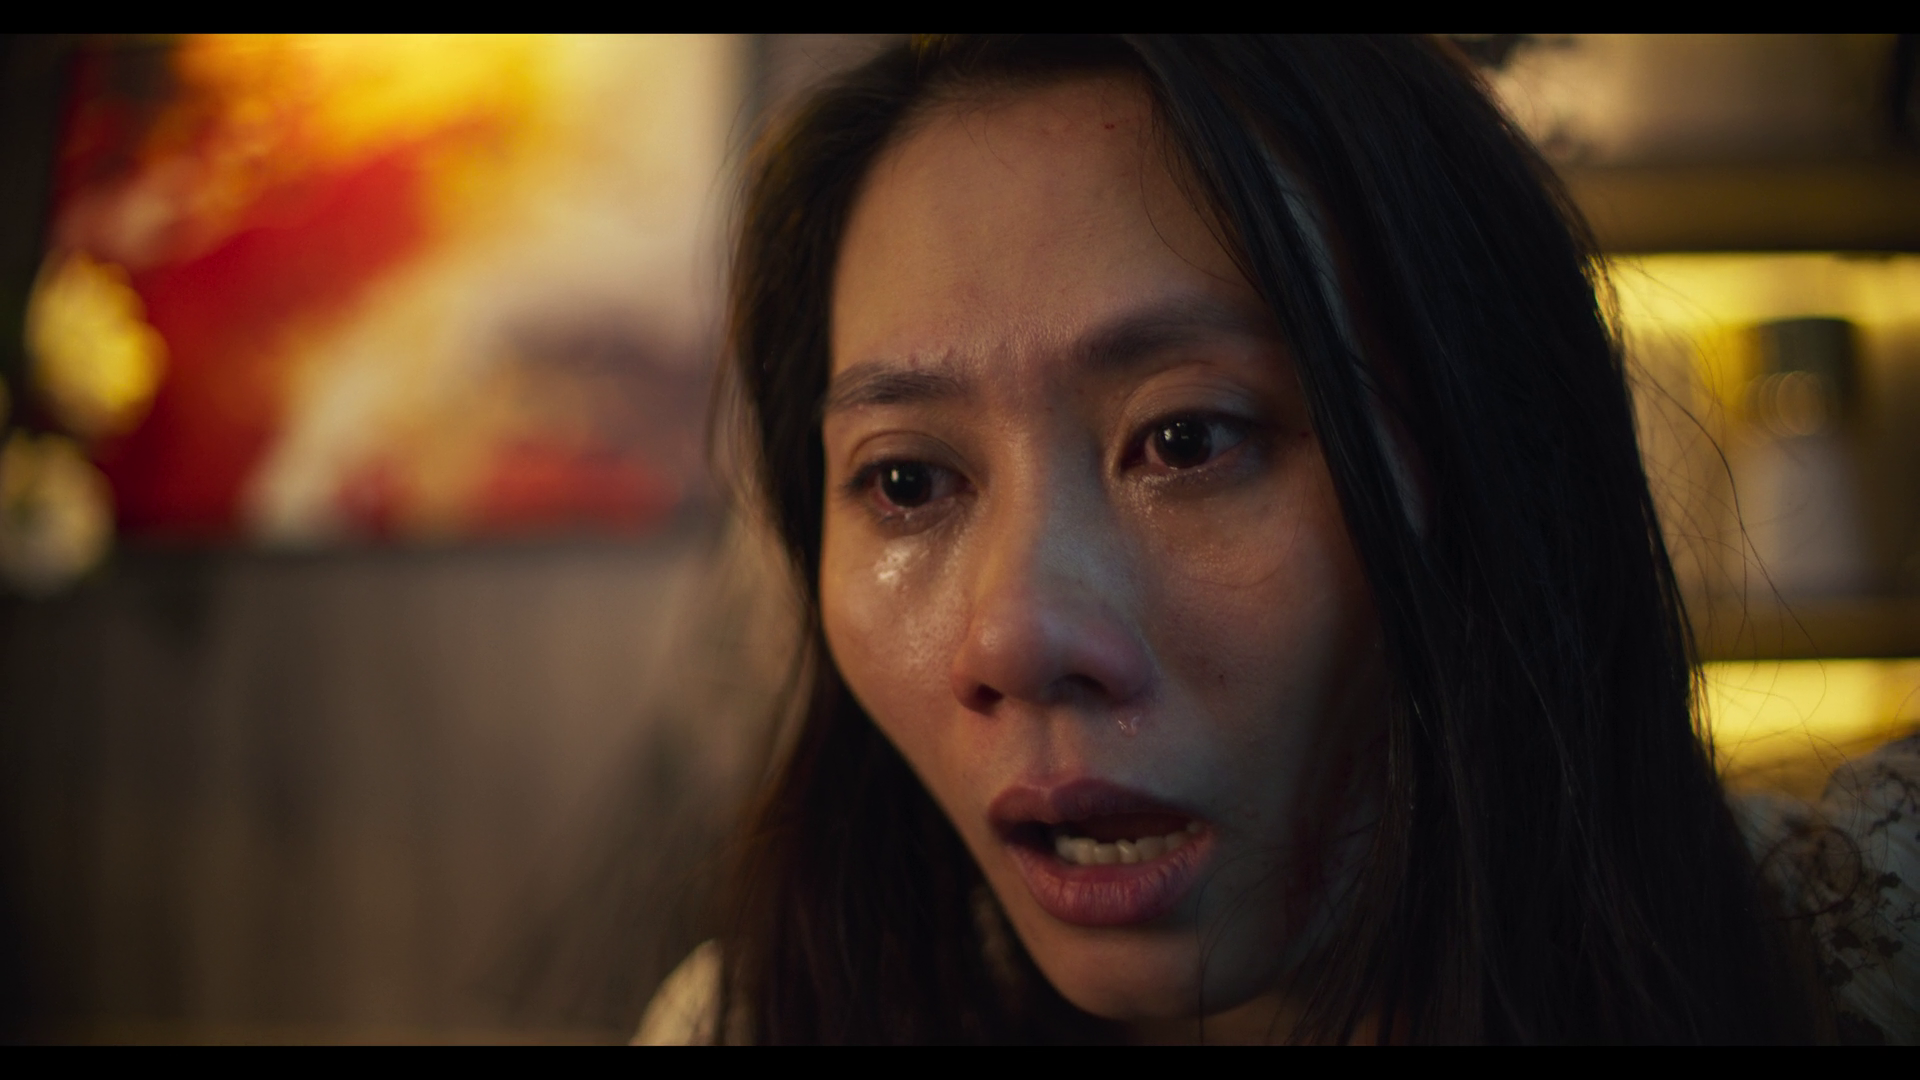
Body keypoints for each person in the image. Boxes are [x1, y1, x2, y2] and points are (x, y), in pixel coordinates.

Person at [636, 35, 1919, 1044]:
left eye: (1187, 440)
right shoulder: (763, 1022)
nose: (1017, 636)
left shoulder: (1861, 955)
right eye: (907, 480)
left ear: (1492, 458)